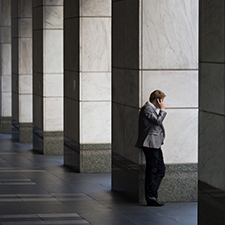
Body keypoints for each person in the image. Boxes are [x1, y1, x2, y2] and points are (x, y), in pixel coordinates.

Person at [135, 90, 167, 207]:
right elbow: (157, 121)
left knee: (160, 169)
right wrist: (162, 110)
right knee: (152, 169)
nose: (163, 103)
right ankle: (151, 196)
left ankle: (152, 194)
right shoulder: (147, 109)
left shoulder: (151, 109)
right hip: (150, 144)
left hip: (155, 144)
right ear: (157, 100)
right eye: (161, 101)